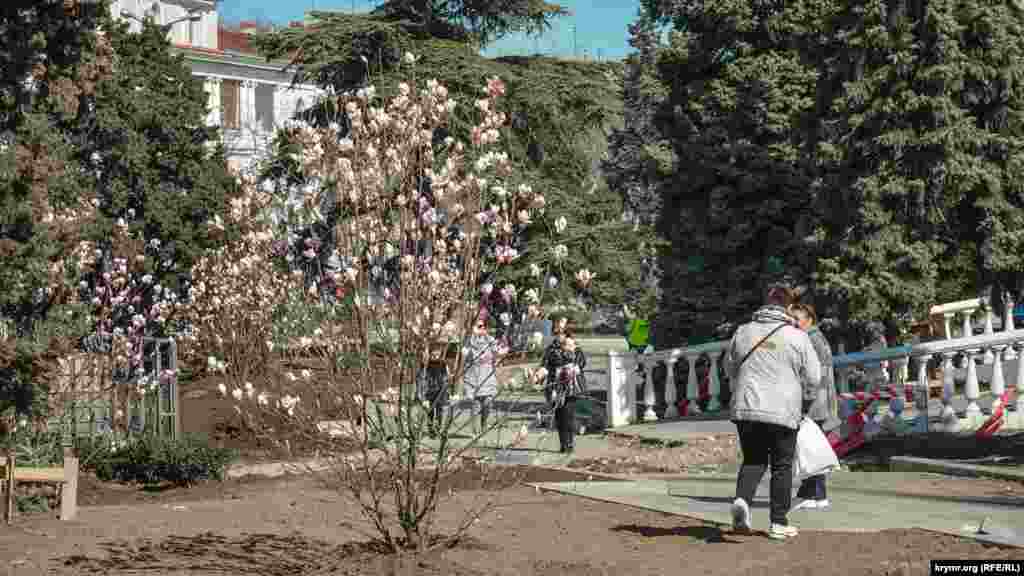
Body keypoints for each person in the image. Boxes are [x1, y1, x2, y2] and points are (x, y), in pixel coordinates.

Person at [726, 285, 821, 540]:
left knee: (753, 459)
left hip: (746, 408)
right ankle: (778, 522)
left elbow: (730, 369)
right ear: (788, 307)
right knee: (782, 465)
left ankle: (742, 502)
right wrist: (806, 404)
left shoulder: (743, 331)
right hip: (783, 410)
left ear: (765, 303)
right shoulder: (797, 336)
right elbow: (813, 377)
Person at [788, 302, 840, 510]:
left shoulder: (810, 340)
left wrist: (803, 403)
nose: (793, 324)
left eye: (796, 320)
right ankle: (812, 492)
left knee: (811, 450)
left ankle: (815, 494)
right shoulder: (816, 338)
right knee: (812, 449)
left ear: (809, 320)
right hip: (820, 400)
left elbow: (813, 376)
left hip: (815, 402)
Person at [546, 327, 587, 454]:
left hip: (572, 390)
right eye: (565, 344)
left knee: (568, 416)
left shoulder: (578, 353)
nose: (566, 345)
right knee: (559, 417)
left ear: (574, 344)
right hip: (557, 389)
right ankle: (564, 443)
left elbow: (581, 363)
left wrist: (570, 362)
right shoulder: (553, 352)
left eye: (570, 344)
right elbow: (549, 365)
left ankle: (569, 442)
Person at [463, 314, 503, 432]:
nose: (482, 328)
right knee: (476, 406)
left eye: (483, 326)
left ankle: (484, 422)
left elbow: (498, 352)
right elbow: (464, 354)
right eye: (479, 326)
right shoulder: (468, 341)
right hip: (474, 378)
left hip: (487, 378)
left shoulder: (489, 340)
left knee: (488, 403)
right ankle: (475, 431)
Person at [417, 344, 450, 437]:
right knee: (430, 411)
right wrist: (421, 393)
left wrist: (446, 383)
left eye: (437, 354)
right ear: (430, 354)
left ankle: (438, 428)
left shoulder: (443, 363)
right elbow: (421, 377)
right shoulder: (425, 364)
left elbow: (446, 375)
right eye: (433, 354)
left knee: (439, 411)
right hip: (429, 391)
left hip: (440, 391)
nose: (435, 356)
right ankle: (431, 429)